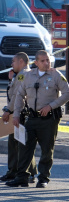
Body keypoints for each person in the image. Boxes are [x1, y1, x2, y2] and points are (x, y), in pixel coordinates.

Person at [5, 50, 69, 188]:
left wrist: (51, 106)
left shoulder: (56, 75)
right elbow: (19, 96)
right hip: (32, 117)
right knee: (24, 147)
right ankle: (22, 176)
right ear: (36, 63)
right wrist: (16, 115)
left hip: (49, 119)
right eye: (43, 61)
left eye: (48, 60)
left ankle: (43, 178)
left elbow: (67, 94)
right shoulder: (28, 76)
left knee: (47, 149)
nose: (46, 63)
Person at [0, 52, 37, 183]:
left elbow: (16, 96)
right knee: (18, 143)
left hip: (19, 113)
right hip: (18, 112)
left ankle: (22, 172)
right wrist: (11, 80)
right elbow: (12, 92)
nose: (11, 64)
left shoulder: (23, 75)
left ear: (21, 61)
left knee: (20, 144)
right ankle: (20, 172)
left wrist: (8, 110)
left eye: (13, 62)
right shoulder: (20, 75)